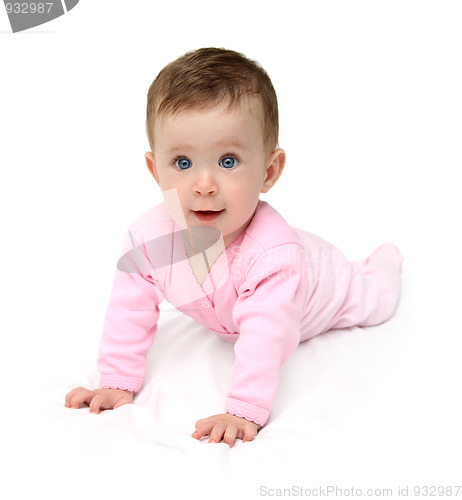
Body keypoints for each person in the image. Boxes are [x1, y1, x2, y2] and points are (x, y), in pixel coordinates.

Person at [65, 47, 403, 447]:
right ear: (156, 170)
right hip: (285, 267)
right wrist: (117, 380)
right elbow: (129, 309)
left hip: (323, 285)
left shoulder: (273, 259)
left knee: (376, 299)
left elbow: (265, 338)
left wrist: (243, 409)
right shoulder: (149, 239)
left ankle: (384, 262)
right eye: (183, 163)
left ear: (269, 170)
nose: (203, 184)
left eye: (228, 161)